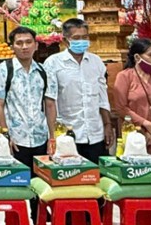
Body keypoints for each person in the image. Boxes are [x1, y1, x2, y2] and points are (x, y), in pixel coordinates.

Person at [0, 26, 54, 222]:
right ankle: (14, 224)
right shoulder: (3, 71)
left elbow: (50, 105)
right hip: (15, 138)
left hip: (39, 136)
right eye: (19, 43)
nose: (24, 47)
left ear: (36, 45)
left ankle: (40, 222)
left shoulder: (44, 72)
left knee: (40, 182)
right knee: (13, 183)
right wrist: (5, 134)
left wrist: (52, 136)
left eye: (28, 42)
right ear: (12, 46)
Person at [43, 18, 114, 164]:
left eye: (85, 37)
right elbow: (50, 102)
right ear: (65, 40)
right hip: (67, 135)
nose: (81, 41)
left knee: (97, 174)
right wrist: (52, 136)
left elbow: (102, 97)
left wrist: (108, 125)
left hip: (95, 134)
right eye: (76, 38)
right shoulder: (53, 63)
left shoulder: (96, 62)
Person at [113, 38, 151, 160]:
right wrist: (146, 124)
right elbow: (121, 108)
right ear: (137, 57)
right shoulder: (124, 76)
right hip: (132, 134)